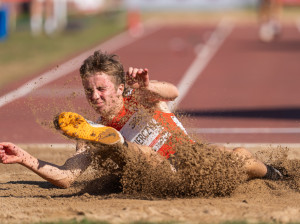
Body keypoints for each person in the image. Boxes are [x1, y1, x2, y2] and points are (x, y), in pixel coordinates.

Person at [0, 50, 283, 189]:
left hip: (193, 160)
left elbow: (172, 91)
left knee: (239, 157)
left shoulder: (142, 97)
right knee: (146, 156)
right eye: (89, 91)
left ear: (120, 88)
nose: (94, 96)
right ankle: (118, 146)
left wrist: (147, 86)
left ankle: (274, 173)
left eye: (101, 89)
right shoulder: (90, 130)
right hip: (160, 178)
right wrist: (25, 158)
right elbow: (67, 177)